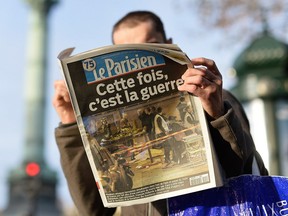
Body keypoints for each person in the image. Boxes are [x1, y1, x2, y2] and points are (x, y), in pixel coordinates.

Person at [53, 10, 268, 216]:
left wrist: (218, 113)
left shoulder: (217, 98)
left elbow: (245, 175)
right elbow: (92, 210)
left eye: (149, 46)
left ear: (168, 44)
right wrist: (71, 125)